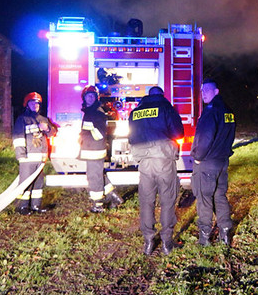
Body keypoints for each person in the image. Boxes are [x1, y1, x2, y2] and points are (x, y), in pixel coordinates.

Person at [128, 86, 184, 256]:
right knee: (167, 200)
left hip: (144, 162)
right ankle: (167, 242)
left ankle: (148, 241)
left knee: (146, 202)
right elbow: (178, 132)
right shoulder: (167, 108)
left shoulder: (135, 112)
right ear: (161, 95)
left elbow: (132, 136)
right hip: (164, 160)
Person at [191, 79, 236, 247]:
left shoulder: (210, 112)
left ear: (216, 91)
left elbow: (205, 138)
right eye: (202, 91)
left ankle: (204, 238)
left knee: (204, 199)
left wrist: (198, 157)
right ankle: (224, 233)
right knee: (220, 196)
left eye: (207, 91)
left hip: (207, 163)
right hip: (222, 162)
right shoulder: (228, 111)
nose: (203, 94)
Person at [78, 85, 123, 213]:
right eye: (88, 96)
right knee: (97, 174)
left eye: (92, 96)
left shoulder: (96, 112)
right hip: (92, 149)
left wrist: (84, 135)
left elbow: (99, 133)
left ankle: (98, 205)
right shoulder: (91, 110)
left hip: (94, 150)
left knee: (94, 177)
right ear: (84, 98)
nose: (90, 98)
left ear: (96, 98)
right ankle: (114, 196)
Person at [12, 92, 57, 215]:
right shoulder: (22, 119)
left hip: (40, 158)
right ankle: (22, 207)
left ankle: (36, 205)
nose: (35, 105)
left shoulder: (43, 119)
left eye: (37, 103)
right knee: (26, 183)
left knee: (38, 183)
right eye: (32, 103)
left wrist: (47, 128)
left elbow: (52, 133)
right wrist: (20, 155)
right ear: (27, 105)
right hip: (27, 158)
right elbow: (18, 138)